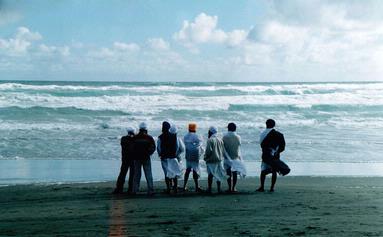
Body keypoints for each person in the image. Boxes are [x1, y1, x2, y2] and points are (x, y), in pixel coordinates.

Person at [257, 119, 288, 192]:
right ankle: (272, 188)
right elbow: (283, 146)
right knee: (274, 171)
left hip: (265, 155)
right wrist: (277, 151)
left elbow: (261, 145)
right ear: (274, 125)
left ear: (266, 124)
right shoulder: (279, 134)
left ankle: (262, 187)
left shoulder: (262, 134)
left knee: (263, 171)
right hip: (275, 155)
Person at [157, 122, 184, 193]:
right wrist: (177, 154)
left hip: (164, 158)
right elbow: (180, 147)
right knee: (174, 172)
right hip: (173, 157)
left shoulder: (160, 137)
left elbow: (159, 148)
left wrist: (160, 155)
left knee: (166, 173)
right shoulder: (174, 137)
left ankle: (168, 188)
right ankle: (175, 187)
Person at [132, 122, 156, 196]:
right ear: (146, 129)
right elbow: (153, 148)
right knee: (148, 174)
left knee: (136, 175)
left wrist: (134, 154)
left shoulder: (135, 137)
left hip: (137, 158)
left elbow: (131, 148)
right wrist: (149, 153)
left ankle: (135, 190)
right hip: (146, 158)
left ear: (139, 129)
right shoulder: (149, 137)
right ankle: (150, 190)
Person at [222, 123, 246, 193]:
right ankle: (234, 188)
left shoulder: (224, 137)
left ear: (228, 128)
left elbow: (223, 147)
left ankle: (229, 188)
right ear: (235, 129)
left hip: (227, 158)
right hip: (235, 157)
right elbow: (239, 146)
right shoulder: (238, 137)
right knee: (235, 172)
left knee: (228, 172)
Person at [112, 127, 136, 194]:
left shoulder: (123, 138)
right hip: (133, 158)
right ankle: (130, 189)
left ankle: (119, 188)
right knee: (132, 174)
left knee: (122, 173)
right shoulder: (135, 139)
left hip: (125, 158)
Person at [204, 126, 226, 194]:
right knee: (218, 174)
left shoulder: (210, 140)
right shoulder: (220, 140)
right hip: (219, 160)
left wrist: (205, 157)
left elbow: (208, 151)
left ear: (210, 132)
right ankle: (219, 189)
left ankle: (209, 188)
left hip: (211, 160)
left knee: (210, 175)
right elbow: (223, 150)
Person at [183, 123, 204, 192]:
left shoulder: (186, 136)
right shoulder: (197, 136)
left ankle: (184, 185)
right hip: (195, 155)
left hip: (188, 154)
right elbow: (200, 143)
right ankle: (196, 186)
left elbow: (185, 144)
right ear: (195, 129)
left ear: (189, 128)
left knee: (187, 170)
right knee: (195, 170)